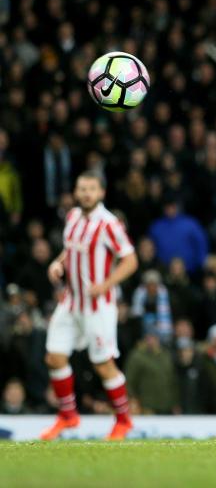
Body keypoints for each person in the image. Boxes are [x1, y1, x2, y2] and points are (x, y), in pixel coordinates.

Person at [40, 171, 139, 441]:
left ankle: (124, 421)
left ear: (101, 193)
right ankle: (68, 416)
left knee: (103, 364)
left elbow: (130, 260)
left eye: (91, 189)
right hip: (71, 302)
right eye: (81, 189)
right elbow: (70, 250)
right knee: (54, 357)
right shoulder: (72, 216)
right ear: (76, 191)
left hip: (98, 306)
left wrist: (106, 284)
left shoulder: (109, 224)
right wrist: (58, 263)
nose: (85, 193)